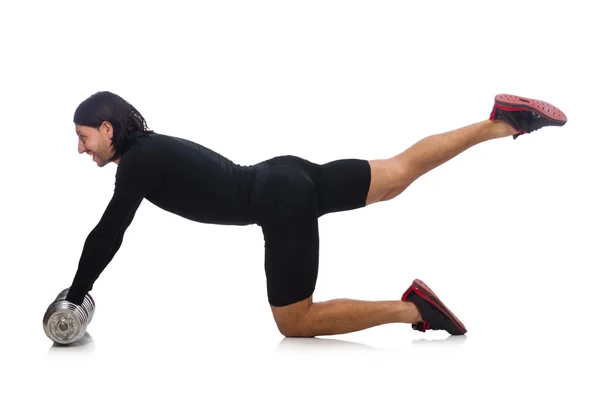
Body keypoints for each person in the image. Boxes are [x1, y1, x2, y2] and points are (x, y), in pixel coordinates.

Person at [66, 91, 567, 337]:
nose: (82, 149)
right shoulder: (151, 150)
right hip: (285, 174)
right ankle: (499, 122)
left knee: (295, 322)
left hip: (280, 203)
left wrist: (76, 293)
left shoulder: (138, 164)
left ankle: (414, 309)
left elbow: (109, 233)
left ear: (108, 129)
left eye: (84, 137)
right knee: (397, 172)